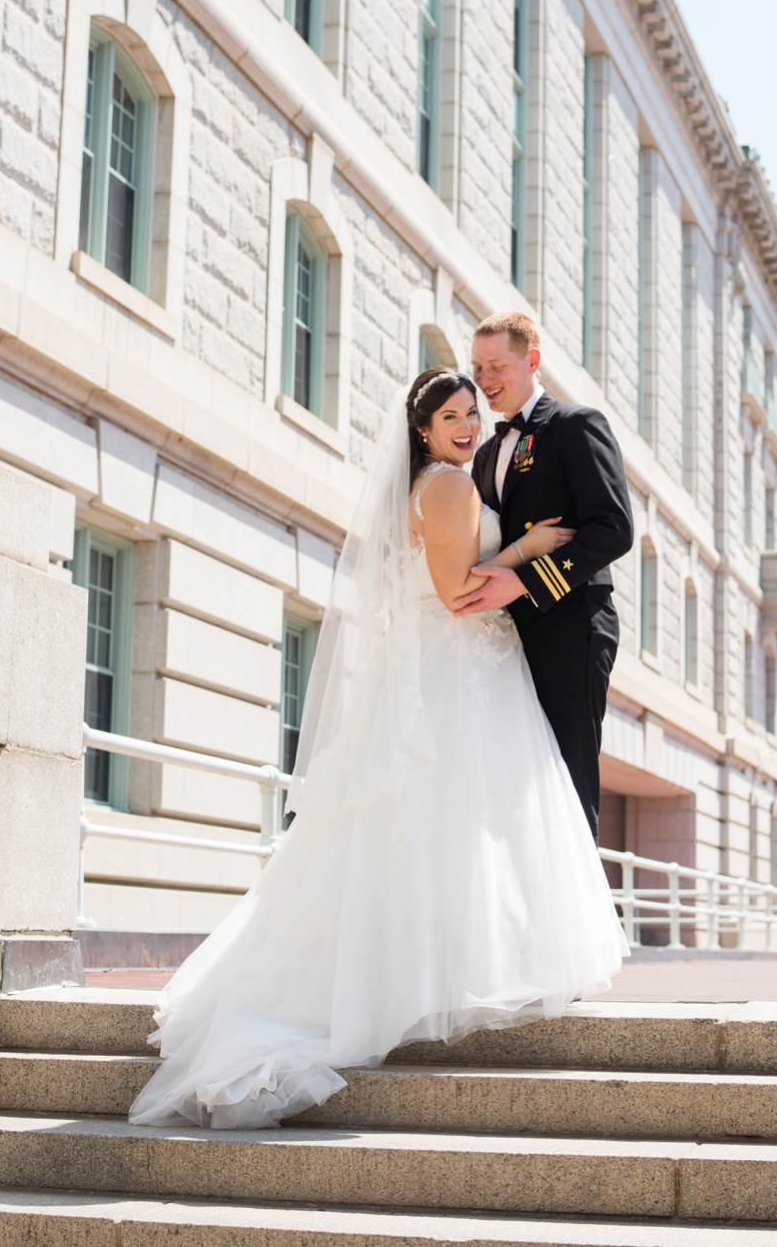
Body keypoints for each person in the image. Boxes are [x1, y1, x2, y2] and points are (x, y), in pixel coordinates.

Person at [128, 368, 628, 1131]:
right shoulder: (451, 488)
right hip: (465, 663)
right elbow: (460, 592)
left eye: (471, 412)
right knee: (466, 816)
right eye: (450, 417)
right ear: (422, 430)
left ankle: (427, 969)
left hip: (451, 664)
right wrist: (530, 542)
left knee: (440, 824)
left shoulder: (427, 486)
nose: (465, 425)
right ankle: (440, 976)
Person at [460, 313, 634, 838]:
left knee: (565, 778)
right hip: (506, 633)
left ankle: (578, 918)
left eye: (496, 365)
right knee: (511, 782)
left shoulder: (576, 426)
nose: (485, 378)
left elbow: (614, 531)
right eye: (476, 367)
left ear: (531, 361)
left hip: (569, 625)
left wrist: (527, 581)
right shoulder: (486, 452)